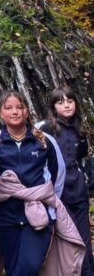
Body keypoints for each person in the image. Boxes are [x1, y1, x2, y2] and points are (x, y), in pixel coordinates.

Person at [0, 90, 65, 275]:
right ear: (0, 112)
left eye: (19, 107)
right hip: (5, 216)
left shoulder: (43, 140)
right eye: (8, 108)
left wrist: (47, 202)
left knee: (28, 267)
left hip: (38, 215)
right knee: (13, 267)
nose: (15, 112)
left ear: (26, 111)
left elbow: (58, 175)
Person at [38, 87, 94, 275]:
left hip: (78, 192)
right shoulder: (45, 129)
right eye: (60, 102)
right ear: (53, 107)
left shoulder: (80, 129)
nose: (67, 105)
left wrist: (88, 182)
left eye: (70, 101)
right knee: (65, 241)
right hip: (57, 194)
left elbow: (83, 159)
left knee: (84, 240)